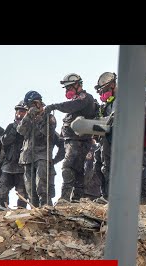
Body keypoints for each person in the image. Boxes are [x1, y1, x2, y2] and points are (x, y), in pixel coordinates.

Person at [44, 73, 98, 202]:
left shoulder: (84, 98)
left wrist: (55, 106)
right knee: (77, 170)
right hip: (71, 142)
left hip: (79, 142)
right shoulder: (76, 102)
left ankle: (65, 197)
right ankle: (76, 199)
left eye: (69, 88)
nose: (68, 91)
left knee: (68, 167)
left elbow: (72, 106)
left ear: (77, 85)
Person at [17, 90, 57, 207]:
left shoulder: (49, 117)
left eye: (35, 104)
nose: (33, 107)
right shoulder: (28, 118)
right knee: (30, 190)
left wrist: (39, 118)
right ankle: (34, 209)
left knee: (42, 187)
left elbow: (48, 134)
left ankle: (46, 208)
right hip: (27, 158)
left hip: (42, 156)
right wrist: (29, 115)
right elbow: (21, 131)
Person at [0, 101, 29, 208]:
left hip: (23, 165)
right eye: (18, 111)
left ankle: (21, 212)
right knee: (2, 190)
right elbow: (5, 141)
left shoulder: (31, 127)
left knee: (22, 193)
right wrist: (14, 129)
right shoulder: (10, 126)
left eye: (22, 112)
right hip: (8, 165)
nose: (19, 114)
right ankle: (2, 210)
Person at [95, 72, 117, 200]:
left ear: (113, 85)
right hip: (105, 139)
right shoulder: (109, 103)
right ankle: (105, 195)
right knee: (99, 166)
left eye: (105, 90)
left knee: (109, 167)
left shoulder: (122, 100)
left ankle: (110, 196)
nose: (103, 94)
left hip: (115, 139)